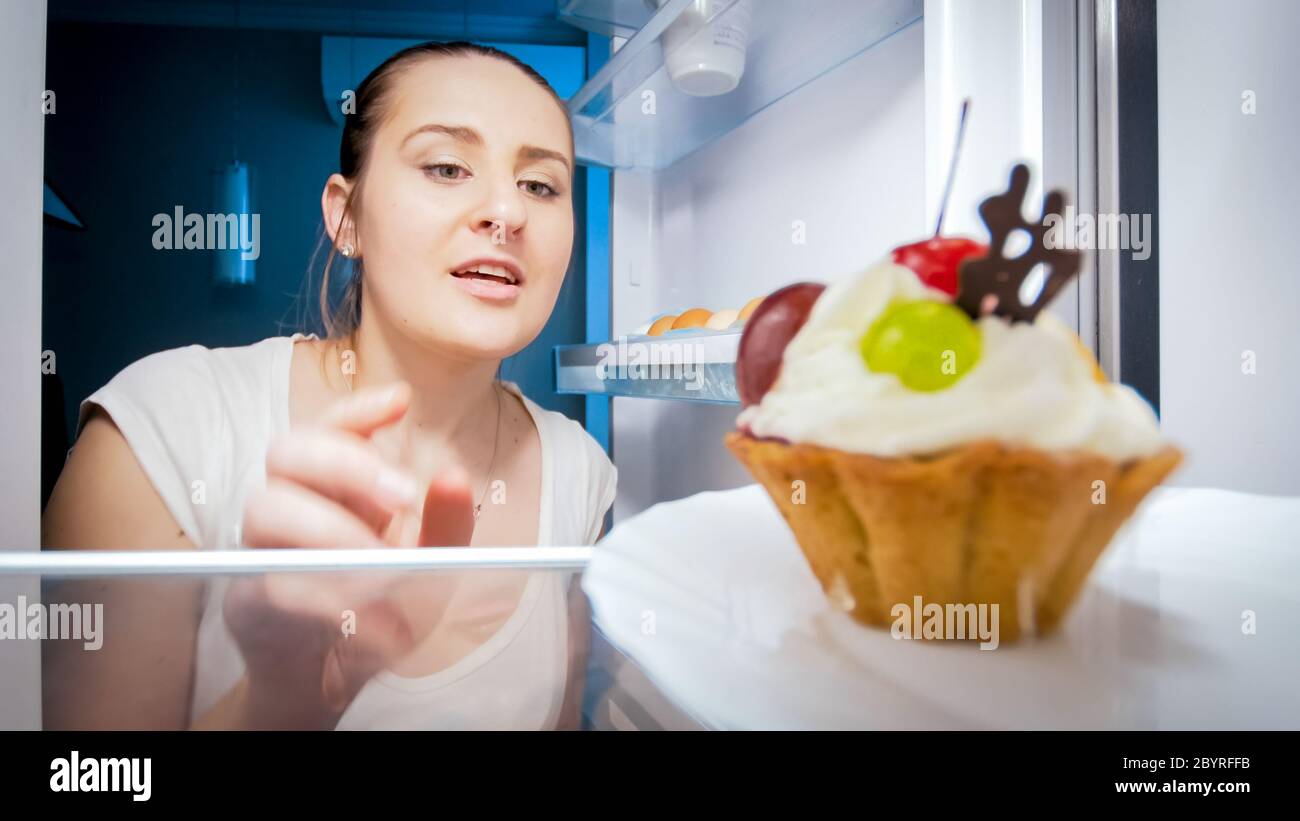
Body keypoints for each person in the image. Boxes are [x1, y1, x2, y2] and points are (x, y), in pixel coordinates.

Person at [41, 41, 616, 730]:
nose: (506, 211)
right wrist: (281, 702)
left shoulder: (579, 472)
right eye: (446, 166)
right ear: (347, 217)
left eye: (541, 185)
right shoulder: (167, 428)